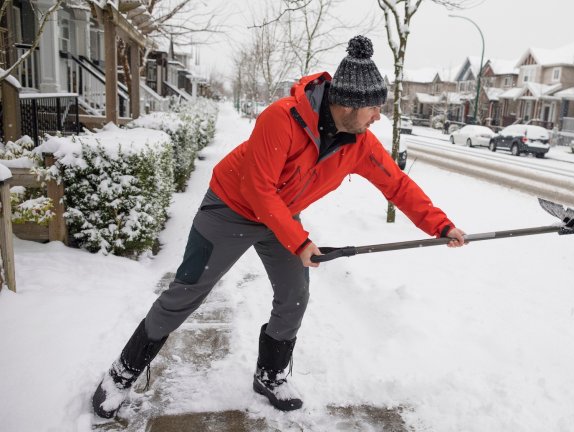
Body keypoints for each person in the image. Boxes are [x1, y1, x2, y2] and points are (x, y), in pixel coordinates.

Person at [91, 35, 466, 418]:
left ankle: (270, 374)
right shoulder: (282, 118)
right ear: (349, 104)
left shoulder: (360, 144)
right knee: (186, 292)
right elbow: (258, 188)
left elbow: (397, 185)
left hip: (281, 217)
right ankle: (120, 375)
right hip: (228, 209)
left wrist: (441, 225)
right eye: (374, 107)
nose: (378, 116)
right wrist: (300, 242)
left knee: (294, 295)